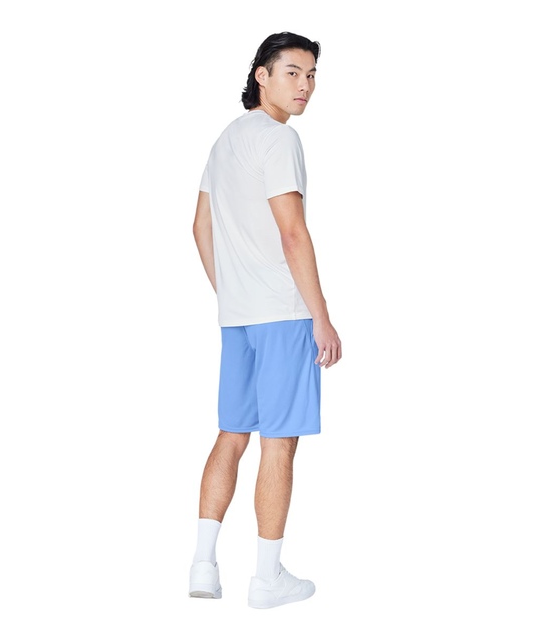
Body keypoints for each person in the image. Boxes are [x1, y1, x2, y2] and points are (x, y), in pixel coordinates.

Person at [189, 31, 342, 609]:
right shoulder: (279, 139)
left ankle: (204, 566)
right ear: (262, 75)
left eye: (312, 75)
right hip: (283, 314)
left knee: (232, 435)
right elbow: (293, 232)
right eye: (293, 73)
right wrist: (321, 318)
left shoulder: (226, 140)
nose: (305, 86)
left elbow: (199, 226)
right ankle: (266, 578)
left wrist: (230, 292)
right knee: (279, 444)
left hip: (239, 319)